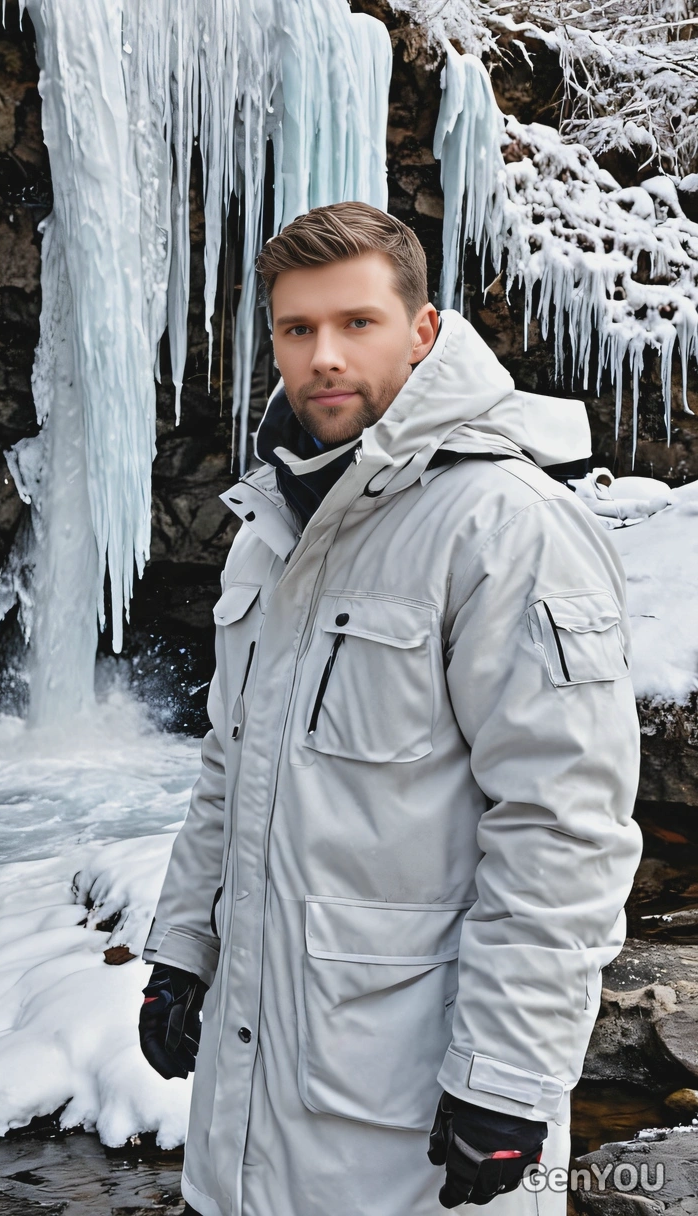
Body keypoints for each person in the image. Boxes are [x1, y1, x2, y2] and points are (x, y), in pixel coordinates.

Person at [139, 202, 643, 1216]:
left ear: (421, 332)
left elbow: (562, 829)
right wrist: (181, 952)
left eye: (355, 323)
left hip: (408, 1120)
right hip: (250, 1109)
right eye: (297, 329)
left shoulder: (503, 528)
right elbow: (230, 767)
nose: (323, 355)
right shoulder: (271, 528)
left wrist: (506, 1081)